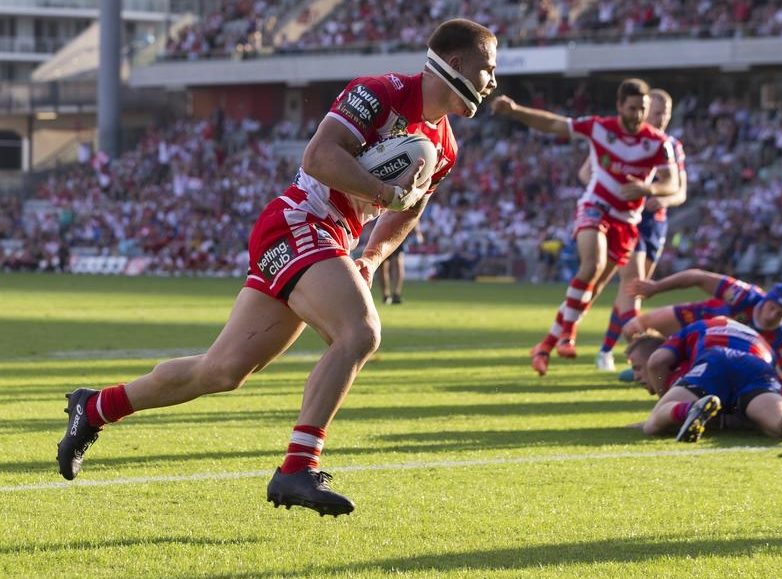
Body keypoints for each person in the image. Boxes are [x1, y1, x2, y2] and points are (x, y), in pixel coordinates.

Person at [57, 18, 498, 516]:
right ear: (456, 64)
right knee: (359, 333)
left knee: (221, 370)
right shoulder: (381, 92)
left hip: (331, 235)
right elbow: (318, 156)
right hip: (300, 219)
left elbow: (409, 210)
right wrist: (380, 192)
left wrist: (372, 257)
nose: (492, 82)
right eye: (488, 69)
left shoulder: (446, 147)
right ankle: (297, 468)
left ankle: (94, 408)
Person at [491, 79, 679, 376]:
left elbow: (673, 183)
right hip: (596, 206)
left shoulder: (657, 142)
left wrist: (648, 188)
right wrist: (516, 111)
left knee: (597, 285)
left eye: (642, 109)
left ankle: (546, 345)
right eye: (633, 108)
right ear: (620, 106)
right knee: (593, 264)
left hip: (627, 222)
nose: (638, 115)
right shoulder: (600, 128)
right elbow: (554, 124)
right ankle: (569, 334)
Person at [589, 89, 688, 372]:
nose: (661, 118)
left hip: (655, 223)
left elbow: (680, 191)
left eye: (666, 114)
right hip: (627, 219)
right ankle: (636, 355)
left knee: (635, 290)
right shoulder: (621, 139)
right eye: (656, 112)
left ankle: (607, 351)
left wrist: (663, 198)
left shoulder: (671, 146)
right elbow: (588, 172)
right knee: (633, 285)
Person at [627, 318, 782, 442]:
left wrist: (663, 401)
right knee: (781, 424)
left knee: (652, 424)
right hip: (757, 366)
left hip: (715, 360)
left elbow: (657, 361)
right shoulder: (760, 340)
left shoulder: (697, 326)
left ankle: (689, 410)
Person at [624, 269, 782, 383]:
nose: (772, 316)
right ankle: (644, 371)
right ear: (766, 299)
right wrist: (656, 287)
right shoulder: (744, 295)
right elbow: (698, 277)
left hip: (716, 350)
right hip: (698, 318)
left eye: (780, 313)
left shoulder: (781, 339)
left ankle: (670, 378)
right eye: (772, 308)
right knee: (633, 328)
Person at [378, 226, 420, 304]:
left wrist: (417, 231)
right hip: (382, 231)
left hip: (397, 232)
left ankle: (396, 294)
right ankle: (386, 295)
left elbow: (414, 218)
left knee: (398, 263)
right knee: (382, 265)